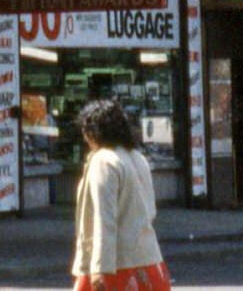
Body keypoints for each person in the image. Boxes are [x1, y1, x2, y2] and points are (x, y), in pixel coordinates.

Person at [70, 96, 169, 291]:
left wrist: (99, 269)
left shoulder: (103, 161)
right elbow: (150, 210)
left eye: (85, 131)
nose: (84, 138)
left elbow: (104, 219)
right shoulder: (137, 157)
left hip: (116, 266)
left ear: (94, 132)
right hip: (149, 259)